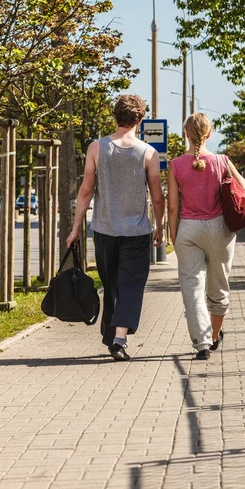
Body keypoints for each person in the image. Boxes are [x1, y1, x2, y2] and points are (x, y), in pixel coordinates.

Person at [67, 94, 165, 361]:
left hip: (104, 231)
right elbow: (157, 195)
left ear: (115, 116)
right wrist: (160, 226)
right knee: (130, 284)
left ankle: (114, 337)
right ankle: (118, 339)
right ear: (140, 120)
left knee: (111, 284)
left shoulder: (96, 148)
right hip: (136, 232)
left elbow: (86, 190)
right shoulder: (149, 153)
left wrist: (76, 227)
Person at [168, 113, 245, 360]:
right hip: (219, 230)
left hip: (189, 230)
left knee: (192, 289)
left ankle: (202, 344)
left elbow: (173, 207)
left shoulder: (175, 165)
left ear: (186, 134)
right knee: (219, 287)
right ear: (209, 134)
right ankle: (214, 336)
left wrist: (175, 236)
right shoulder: (222, 161)